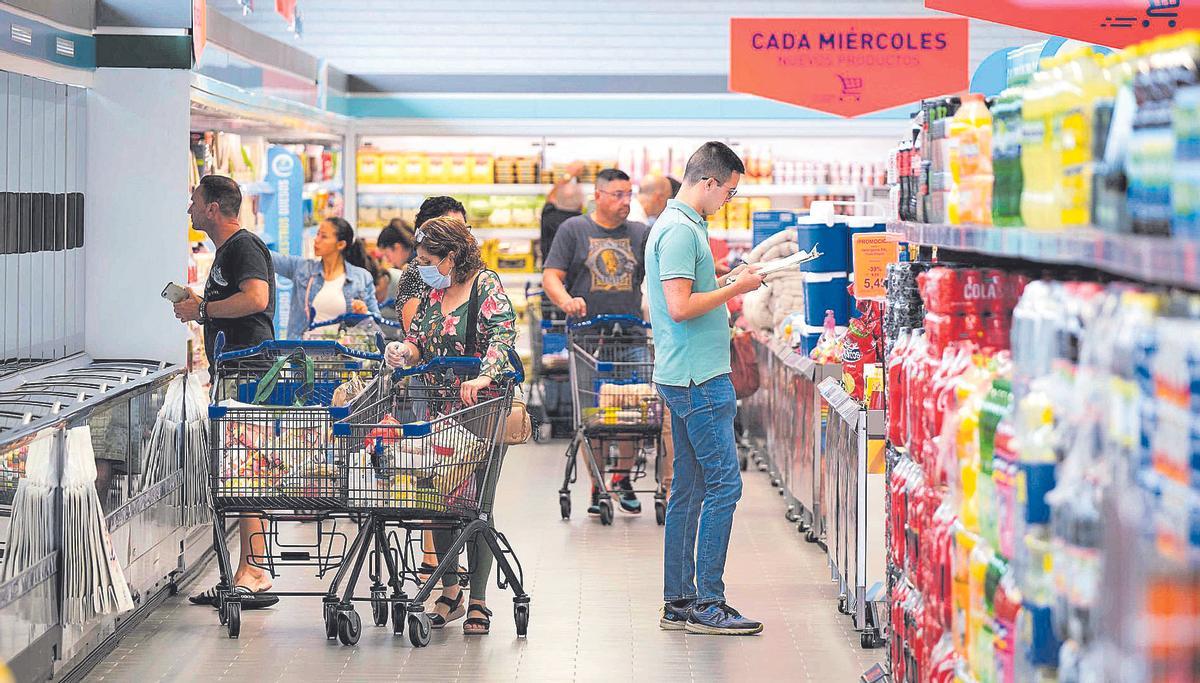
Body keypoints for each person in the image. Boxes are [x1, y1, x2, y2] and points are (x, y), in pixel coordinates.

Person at [645, 141, 765, 635]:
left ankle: (679, 600)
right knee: (724, 486)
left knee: (690, 490)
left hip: (689, 373)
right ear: (709, 181)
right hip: (698, 379)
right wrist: (736, 289)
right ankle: (707, 602)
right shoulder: (678, 231)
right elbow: (678, 306)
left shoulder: (685, 226)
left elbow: (692, 290)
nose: (728, 201)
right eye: (730, 192)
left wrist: (726, 278)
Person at [383, 216, 518, 636]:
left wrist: (483, 376)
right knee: (437, 502)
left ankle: (478, 601)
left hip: (483, 409)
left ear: (452, 257)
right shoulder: (430, 290)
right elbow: (420, 340)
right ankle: (451, 590)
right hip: (440, 411)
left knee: (476, 506)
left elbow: (502, 336)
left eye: (427, 259)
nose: (420, 266)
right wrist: (404, 350)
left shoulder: (485, 285)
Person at [174, 175, 278, 610]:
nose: (190, 209)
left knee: (244, 468)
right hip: (233, 370)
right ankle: (247, 567)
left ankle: (253, 569)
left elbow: (256, 298)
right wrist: (204, 307)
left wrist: (202, 308)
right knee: (239, 469)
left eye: (195, 200)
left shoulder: (243, 247)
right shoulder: (226, 253)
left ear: (214, 207)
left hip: (249, 373)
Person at [543, 168, 672, 515]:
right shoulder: (574, 230)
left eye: (628, 194)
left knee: (634, 415)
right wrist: (565, 299)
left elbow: (663, 276)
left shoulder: (641, 234)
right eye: (617, 194)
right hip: (588, 338)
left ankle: (621, 478)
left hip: (630, 335)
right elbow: (551, 276)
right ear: (598, 196)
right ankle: (599, 485)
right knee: (593, 418)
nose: (625, 201)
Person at [271, 217, 379, 339]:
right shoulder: (303, 269)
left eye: (323, 236)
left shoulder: (362, 278)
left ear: (341, 244)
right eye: (317, 234)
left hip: (342, 355)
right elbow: (269, 257)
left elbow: (377, 322)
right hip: (302, 353)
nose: (316, 240)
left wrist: (363, 314)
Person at [393, 196, 468, 331]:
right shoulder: (418, 272)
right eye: (455, 229)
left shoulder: (466, 270)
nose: (464, 237)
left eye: (464, 229)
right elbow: (414, 334)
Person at [539, 162, 585, 261]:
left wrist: (569, 174)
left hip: (550, 270)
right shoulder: (581, 223)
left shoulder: (549, 215)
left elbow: (551, 196)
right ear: (581, 205)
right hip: (574, 272)